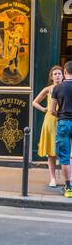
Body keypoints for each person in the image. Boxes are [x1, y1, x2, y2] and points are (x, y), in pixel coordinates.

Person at [32, 65, 64, 187]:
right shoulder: (48, 89)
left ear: (63, 75)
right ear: (51, 76)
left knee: (67, 151)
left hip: (64, 119)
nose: (57, 76)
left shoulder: (66, 88)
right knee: (51, 152)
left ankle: (68, 178)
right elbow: (34, 102)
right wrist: (44, 109)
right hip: (50, 120)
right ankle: (53, 178)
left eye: (59, 73)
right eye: (55, 74)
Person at [50, 61, 72, 197]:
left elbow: (52, 110)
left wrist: (61, 115)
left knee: (64, 157)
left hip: (63, 123)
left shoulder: (57, 88)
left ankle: (68, 188)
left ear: (64, 72)